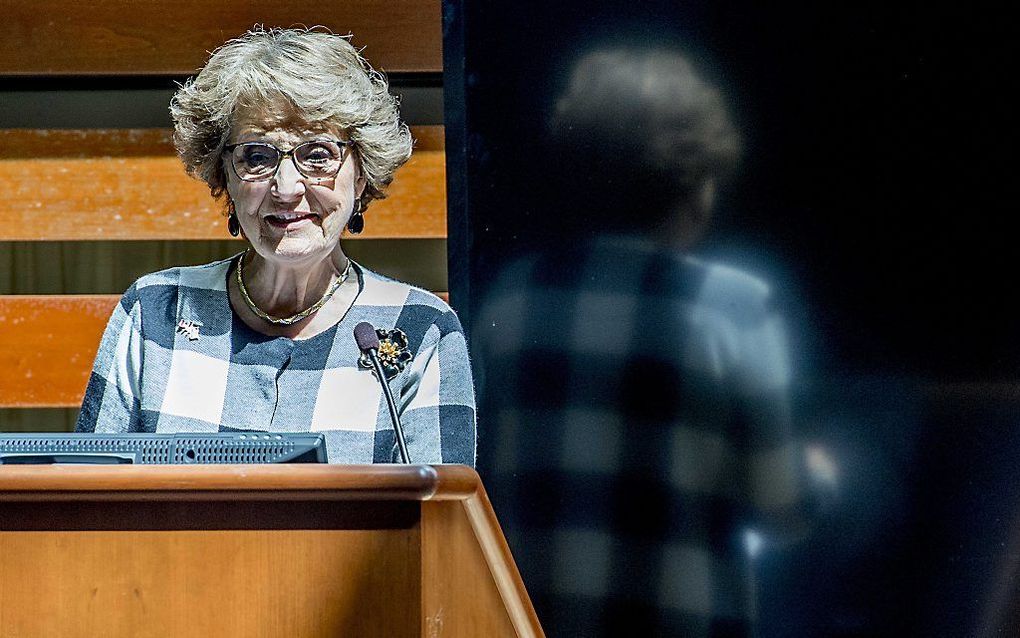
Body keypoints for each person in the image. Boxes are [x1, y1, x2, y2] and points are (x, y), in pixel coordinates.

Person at [474, 48, 807, 635]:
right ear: (695, 182)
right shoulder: (732, 306)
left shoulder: (512, 298)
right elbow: (781, 508)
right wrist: (825, 479)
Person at [75, 27, 476, 465]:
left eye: (318, 154)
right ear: (223, 176)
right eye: (257, 157)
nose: (286, 189)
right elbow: (88, 510)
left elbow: (439, 527)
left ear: (361, 173)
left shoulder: (419, 328)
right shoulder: (156, 312)